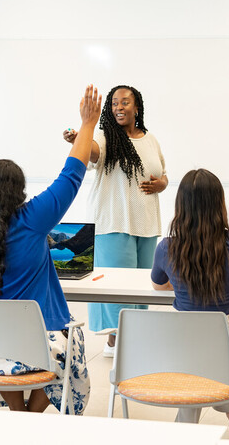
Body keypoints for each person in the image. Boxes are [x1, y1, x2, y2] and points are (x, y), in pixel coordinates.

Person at [0, 85, 102, 414]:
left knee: (10, 348)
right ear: (18, 193)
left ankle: (18, 414)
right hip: (32, 349)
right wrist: (88, 125)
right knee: (69, 343)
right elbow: (71, 176)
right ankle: (28, 416)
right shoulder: (31, 220)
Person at [149, 95, 229, 433]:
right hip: (228, 345)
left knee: (192, 376)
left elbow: (159, 285)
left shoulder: (167, 248)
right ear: (220, 202)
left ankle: (204, 423)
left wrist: (184, 282)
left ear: (180, 207)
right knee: (211, 369)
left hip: (178, 345)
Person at [63, 84, 167, 356]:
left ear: (136, 107)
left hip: (145, 224)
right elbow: (93, 152)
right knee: (117, 284)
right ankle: (114, 340)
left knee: (143, 285)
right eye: (114, 103)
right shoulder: (105, 137)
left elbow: (163, 174)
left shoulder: (151, 139)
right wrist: (79, 138)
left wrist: (162, 184)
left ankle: (134, 335)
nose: (119, 107)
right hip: (114, 223)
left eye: (125, 102)